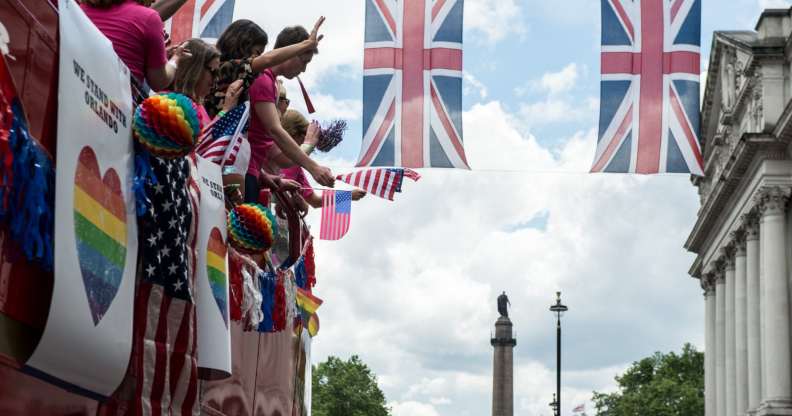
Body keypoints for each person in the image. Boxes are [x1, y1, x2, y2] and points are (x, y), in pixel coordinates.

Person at [244, 25, 334, 203]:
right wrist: (313, 167)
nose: (304, 70)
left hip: (252, 172)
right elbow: (275, 130)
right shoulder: (262, 79)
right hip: (243, 173)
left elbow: (281, 157)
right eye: (304, 62)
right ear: (291, 52)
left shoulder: (269, 81)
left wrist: (264, 176)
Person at [207, 18, 325, 118]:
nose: (258, 58)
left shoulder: (244, 76)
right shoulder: (228, 68)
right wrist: (306, 45)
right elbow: (268, 60)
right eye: (257, 52)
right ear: (242, 45)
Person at [81, 0, 175, 90]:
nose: (154, 1)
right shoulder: (148, 17)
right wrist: (176, 59)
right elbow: (158, 82)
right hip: (116, 102)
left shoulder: (77, 9)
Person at [280, 109, 365, 209]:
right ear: (294, 135)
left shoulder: (297, 168)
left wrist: (348, 196)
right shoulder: (271, 153)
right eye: (305, 138)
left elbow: (315, 201)